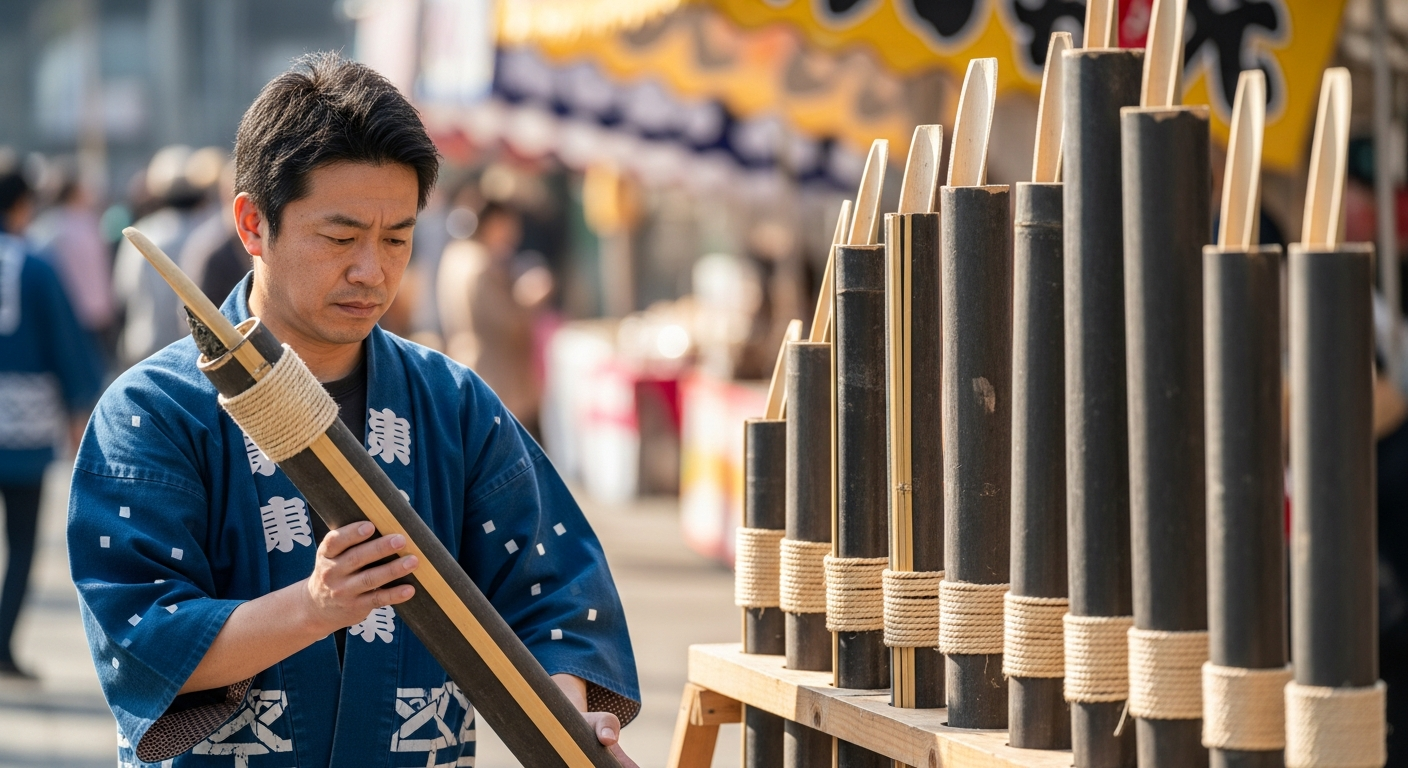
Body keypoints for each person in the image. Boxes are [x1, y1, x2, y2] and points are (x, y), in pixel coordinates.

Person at [68, 53, 640, 767]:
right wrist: (313, 607)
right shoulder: (152, 412)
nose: (372, 270)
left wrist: (568, 723)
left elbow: (553, 591)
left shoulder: (452, 403)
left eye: (397, 238)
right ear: (254, 224)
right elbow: (140, 633)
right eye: (341, 238)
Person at [0, 167, 103, 679]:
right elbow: (68, 345)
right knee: (21, 542)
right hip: (23, 426)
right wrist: (80, 409)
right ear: (21, 207)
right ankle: (2, 645)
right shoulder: (36, 267)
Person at [438, 201, 552, 433]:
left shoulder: (455, 256)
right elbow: (508, 323)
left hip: (470, 366)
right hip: (496, 376)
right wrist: (531, 299)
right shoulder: (480, 264)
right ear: (493, 224)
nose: (513, 234)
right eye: (508, 226)